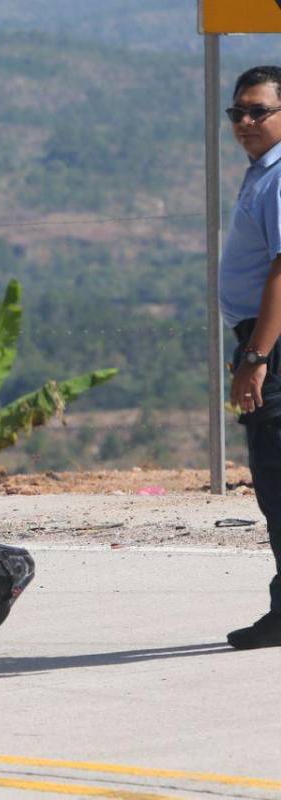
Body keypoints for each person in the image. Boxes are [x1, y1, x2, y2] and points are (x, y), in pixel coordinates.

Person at [220, 65, 281, 649]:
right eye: (236, 112)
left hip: (271, 343)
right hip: (262, 338)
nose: (244, 121)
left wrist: (257, 354)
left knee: (277, 478)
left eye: (258, 111)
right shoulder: (262, 174)